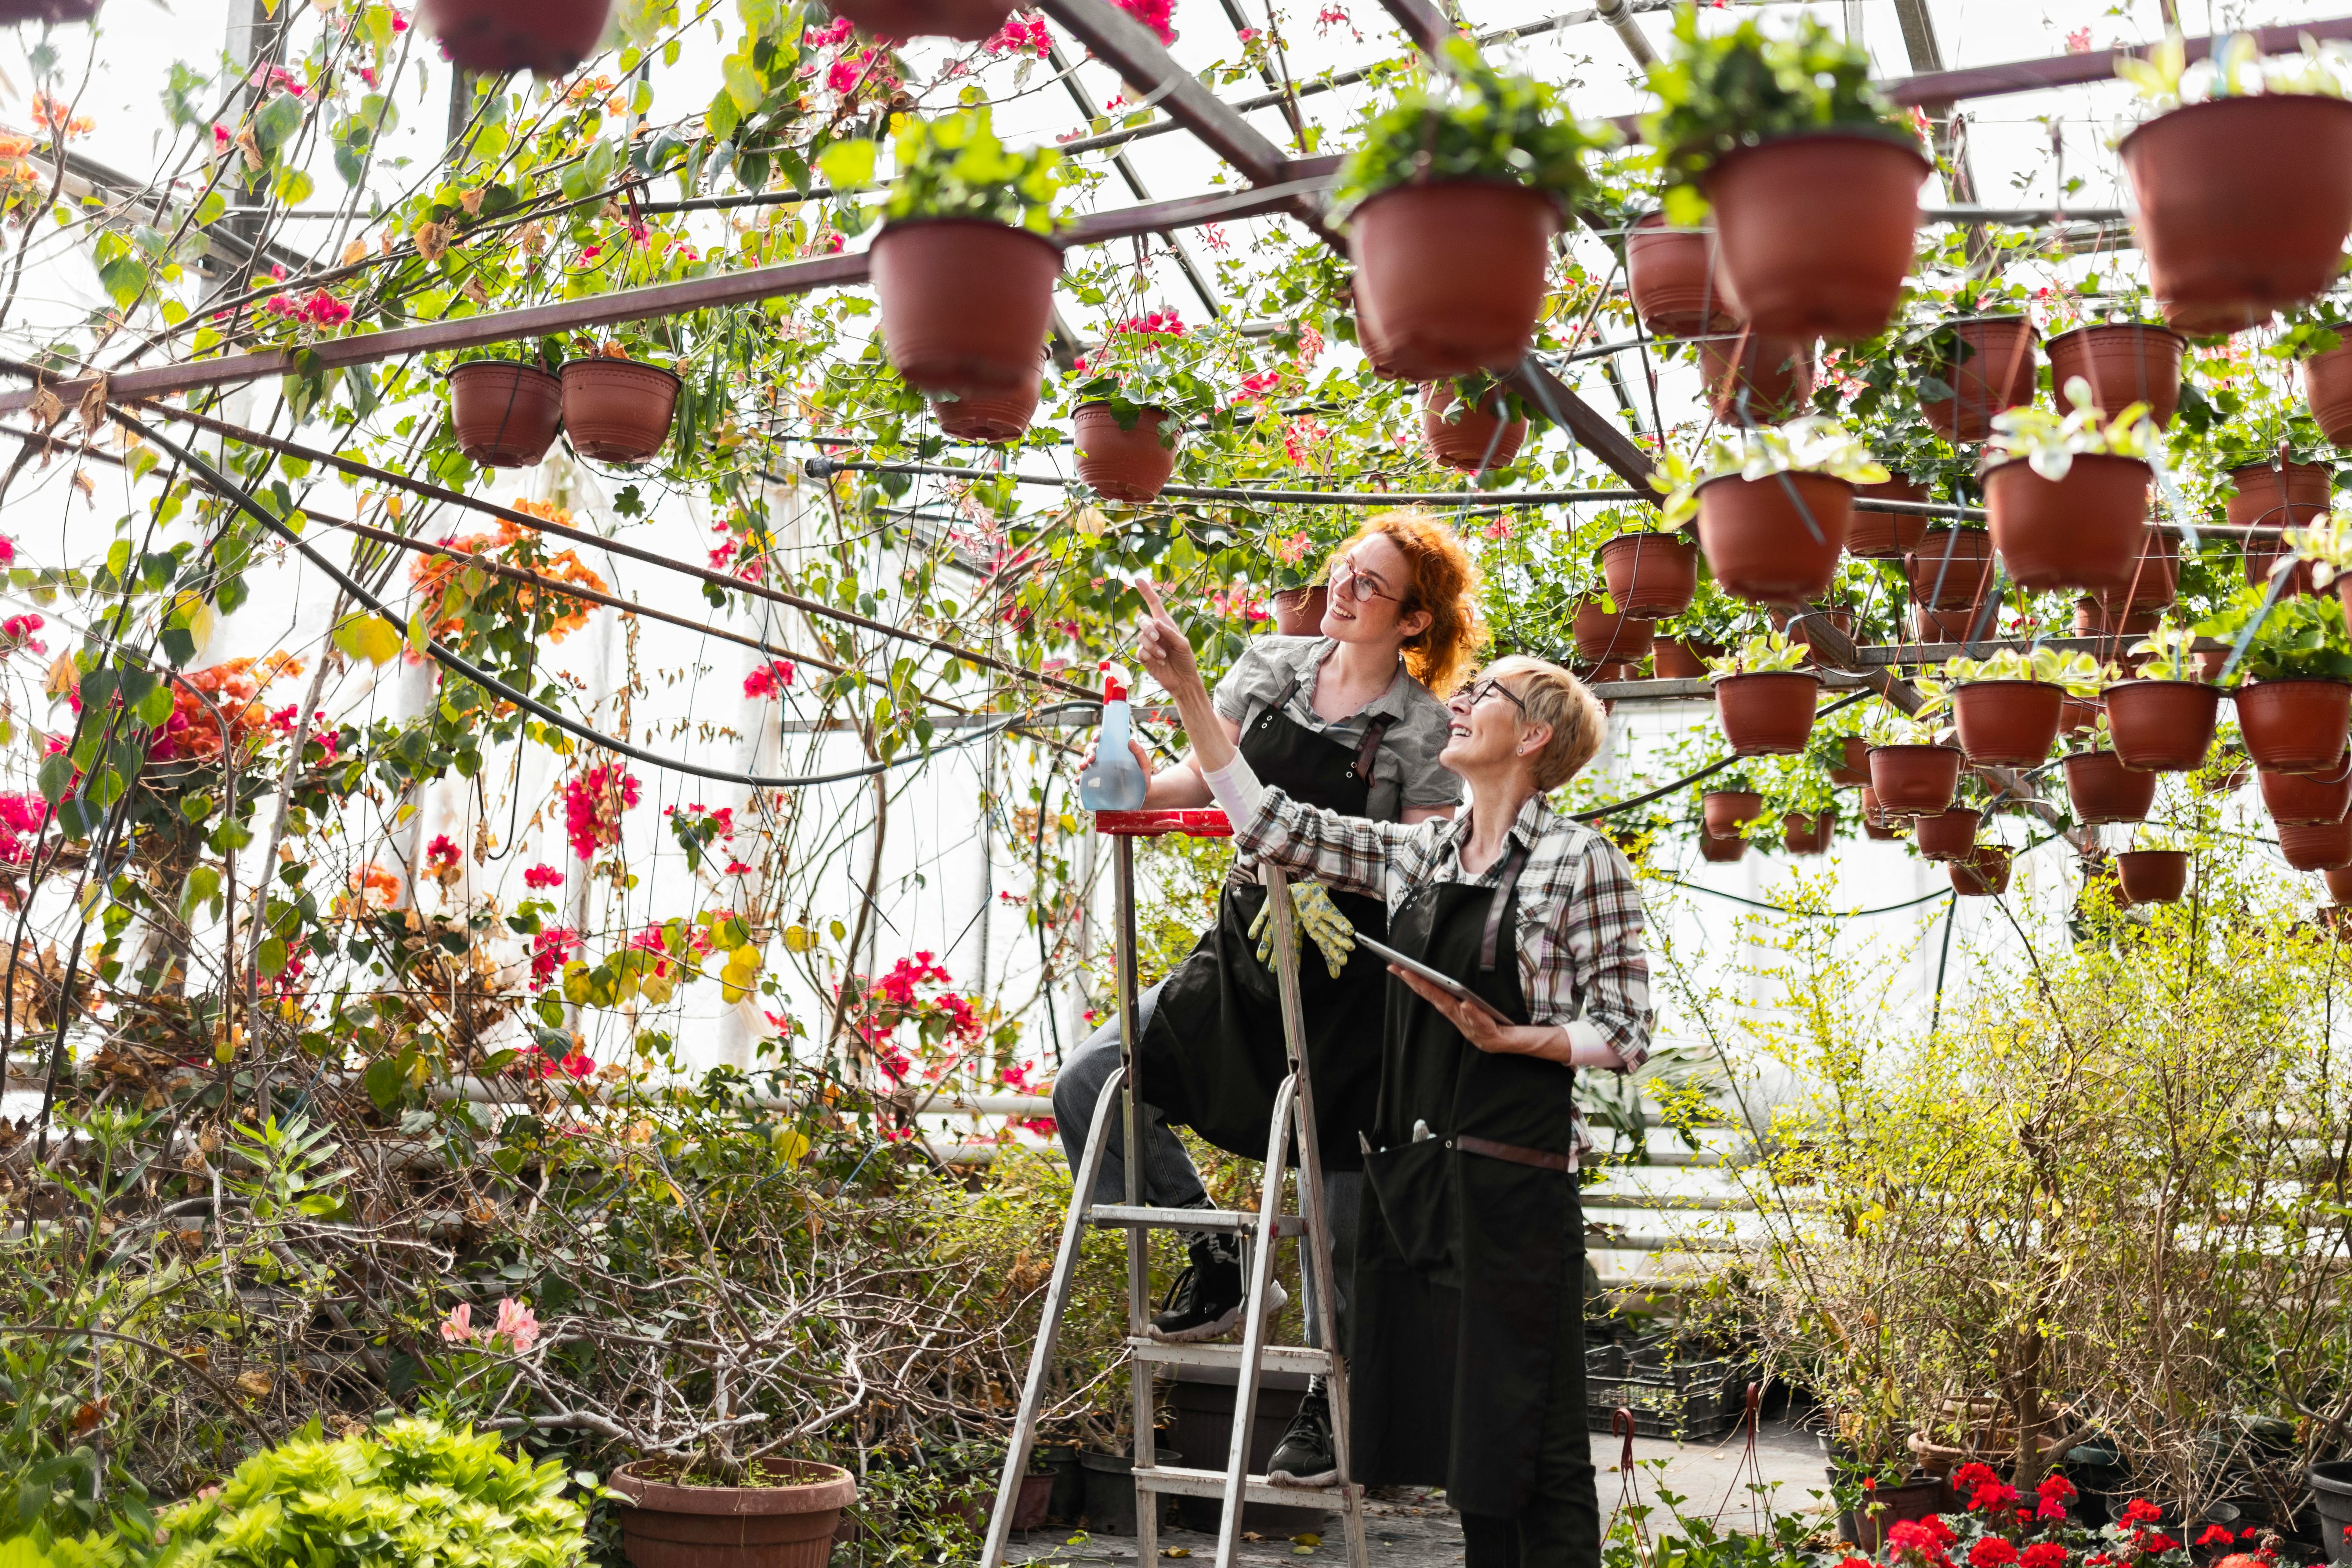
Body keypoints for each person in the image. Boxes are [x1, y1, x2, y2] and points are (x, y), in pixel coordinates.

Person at [1133, 578, 1653, 1568]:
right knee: (1463, 1447)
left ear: (1534, 737)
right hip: (1418, 1182)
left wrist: (1521, 1041)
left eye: (1485, 694)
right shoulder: (1422, 855)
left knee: (1534, 1443)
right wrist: (1196, 694)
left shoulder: (1582, 864)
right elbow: (1270, 823)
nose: (1460, 703)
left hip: (1517, 1181)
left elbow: (1625, 1028)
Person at [1051, 511, 1481, 1487]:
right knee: (1090, 1082)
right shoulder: (1276, 665)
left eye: (1370, 585)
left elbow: (1416, 873)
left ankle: (1331, 1414)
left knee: (1339, 1218)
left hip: (1345, 988)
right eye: (1343, 571)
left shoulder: (1420, 729)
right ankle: (1219, 1258)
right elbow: (1209, 771)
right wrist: (1131, 790)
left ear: (1413, 622)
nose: (1344, 590)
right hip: (1243, 952)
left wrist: (1309, 851)